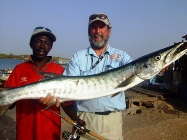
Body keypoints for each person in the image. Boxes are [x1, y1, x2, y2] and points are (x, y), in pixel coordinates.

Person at [3, 26, 83, 140]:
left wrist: (76, 119)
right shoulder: (19, 69)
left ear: (51, 46)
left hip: (50, 133)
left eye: (46, 43)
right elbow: (9, 104)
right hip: (24, 133)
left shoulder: (60, 71)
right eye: (38, 41)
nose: (42, 46)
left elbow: (67, 103)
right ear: (31, 44)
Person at [64, 13, 132, 140]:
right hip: (84, 118)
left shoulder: (123, 57)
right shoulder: (78, 57)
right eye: (93, 27)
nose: (98, 31)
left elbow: (138, 75)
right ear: (88, 31)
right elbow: (66, 87)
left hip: (113, 121)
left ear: (109, 31)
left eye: (102, 27)